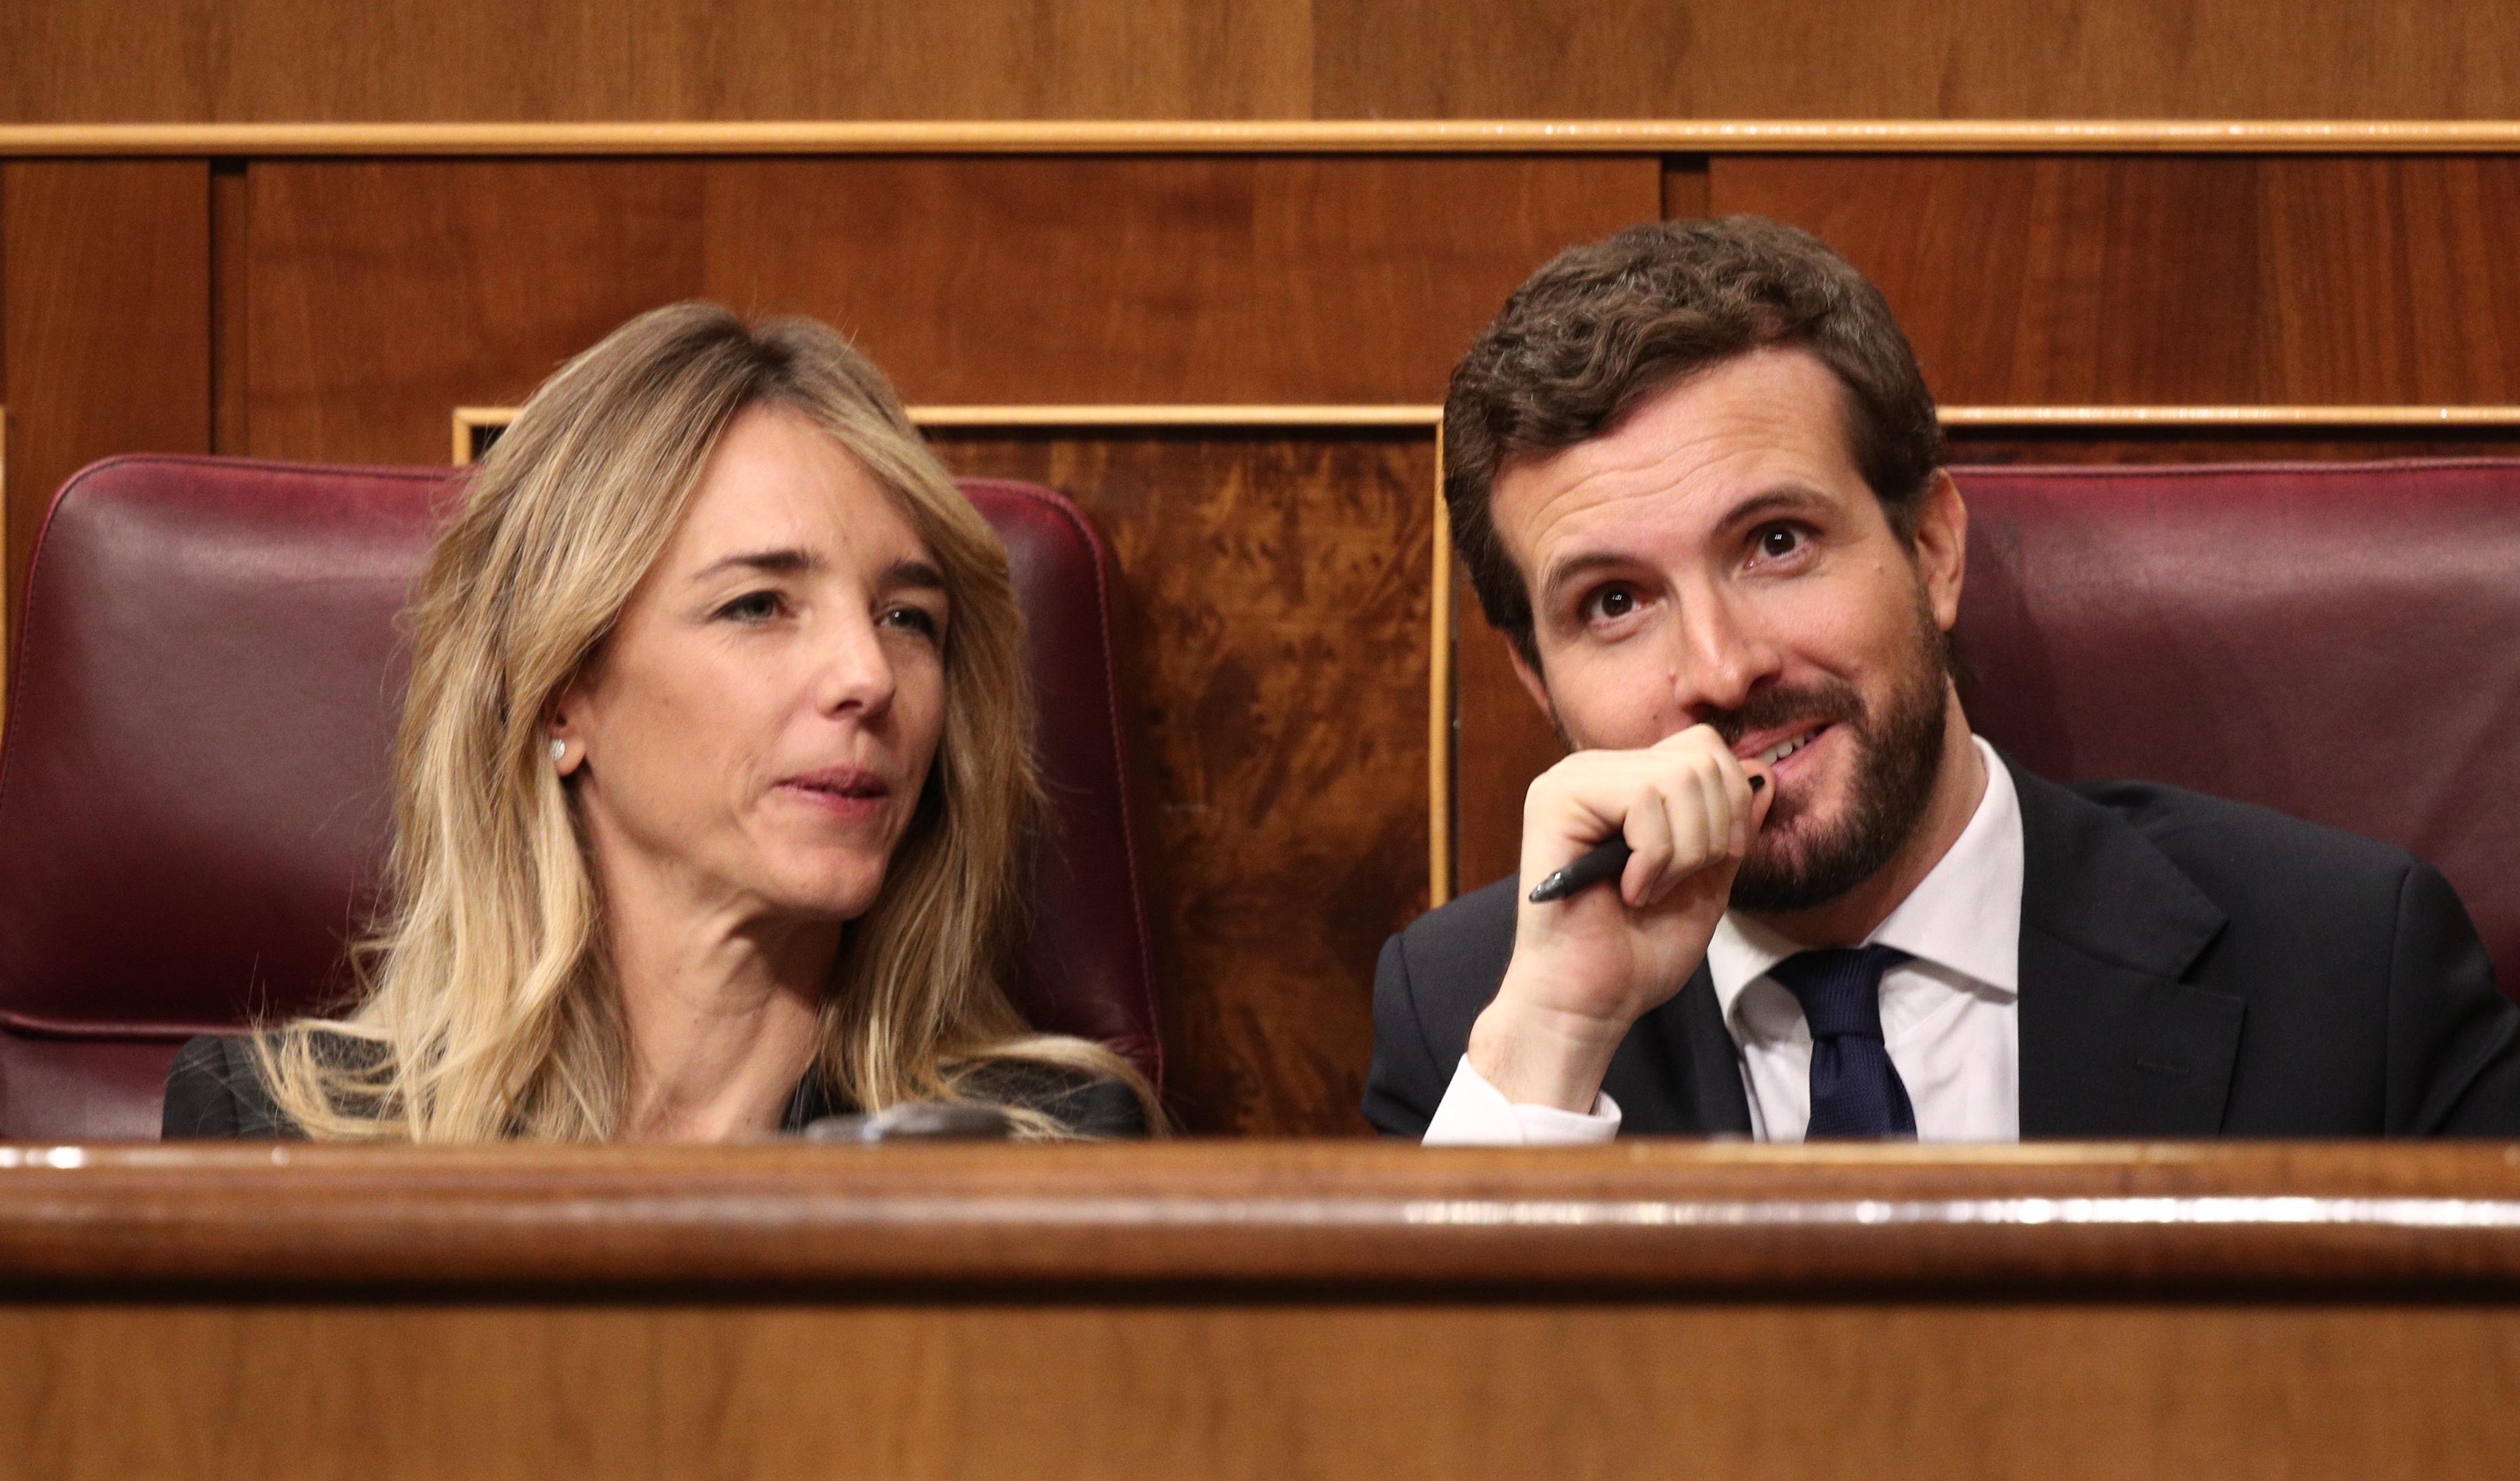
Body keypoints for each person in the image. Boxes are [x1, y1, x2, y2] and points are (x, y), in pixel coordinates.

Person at [1366, 216, 2520, 1143]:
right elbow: (1399, 1436)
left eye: (1776, 542)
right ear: (1535, 678)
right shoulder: (1474, 1020)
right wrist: (1557, 1039)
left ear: (1932, 549)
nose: (1720, 669)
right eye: (1613, 604)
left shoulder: (2351, 967)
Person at [165, 303, 1156, 1141]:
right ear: (561, 690)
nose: (869, 675)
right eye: (759, 604)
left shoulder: (1037, 1149)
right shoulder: (276, 1131)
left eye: (909, 618)